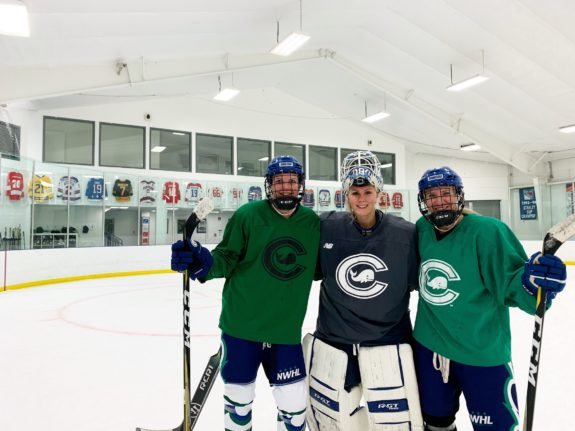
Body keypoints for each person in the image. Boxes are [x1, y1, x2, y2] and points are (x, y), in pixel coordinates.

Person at [171, 155, 320, 431]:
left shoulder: (312, 224)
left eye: (291, 181)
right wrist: (200, 261)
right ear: (269, 186)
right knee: (238, 406)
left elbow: (323, 267)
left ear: (300, 185)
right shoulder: (248, 216)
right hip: (241, 330)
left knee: (295, 410)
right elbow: (225, 258)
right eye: (279, 181)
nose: (285, 187)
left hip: (285, 334)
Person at [413, 166, 567, 431]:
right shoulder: (420, 230)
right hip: (430, 349)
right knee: (436, 423)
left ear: (459, 195)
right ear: (423, 201)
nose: (439, 201)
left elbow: (514, 284)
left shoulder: (488, 231)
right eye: (432, 195)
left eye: (446, 193)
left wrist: (533, 284)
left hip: (482, 354)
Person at [304, 150, 424, 431]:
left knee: (394, 425)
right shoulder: (326, 228)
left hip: (388, 344)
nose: (361, 199)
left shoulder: (405, 234)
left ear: (378, 192)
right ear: (346, 192)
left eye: (368, 191)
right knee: (330, 423)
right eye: (355, 192)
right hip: (335, 344)